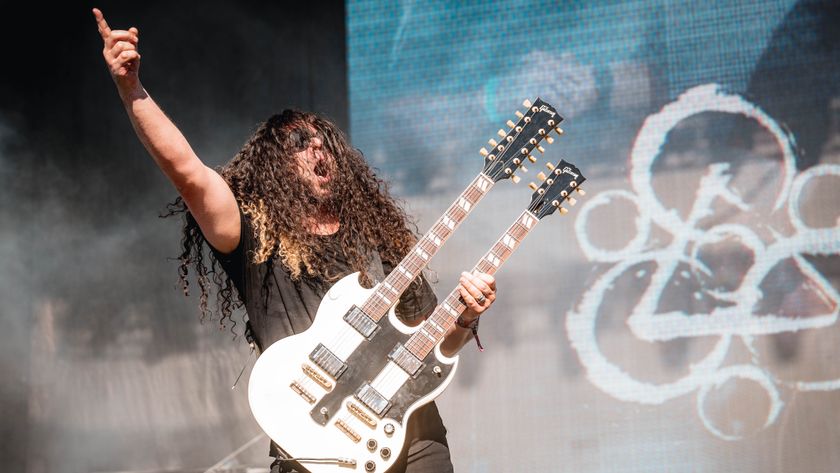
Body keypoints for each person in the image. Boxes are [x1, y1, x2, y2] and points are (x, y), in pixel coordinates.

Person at [92, 7, 497, 473]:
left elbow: (432, 341)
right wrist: (131, 89)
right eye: (300, 142)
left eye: (323, 139)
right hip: (316, 445)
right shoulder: (254, 236)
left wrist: (465, 315)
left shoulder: (377, 238)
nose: (317, 147)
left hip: (412, 434)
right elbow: (187, 173)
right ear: (274, 167)